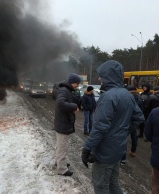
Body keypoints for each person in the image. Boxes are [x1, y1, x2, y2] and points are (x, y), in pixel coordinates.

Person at [81, 60, 145, 193]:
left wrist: (87, 148)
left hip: (105, 151)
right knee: (113, 183)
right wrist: (122, 132)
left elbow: (99, 128)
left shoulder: (107, 97)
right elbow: (138, 117)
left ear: (108, 76)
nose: (99, 78)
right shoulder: (127, 94)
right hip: (118, 148)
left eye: (101, 75)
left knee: (101, 185)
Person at [54, 73, 81, 176]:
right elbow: (60, 104)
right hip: (63, 123)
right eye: (77, 83)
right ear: (72, 82)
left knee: (60, 145)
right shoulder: (64, 91)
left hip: (62, 122)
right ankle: (62, 169)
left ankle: (59, 162)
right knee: (62, 147)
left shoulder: (66, 90)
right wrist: (74, 106)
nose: (77, 85)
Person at [120, 86, 143, 165]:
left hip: (126, 121)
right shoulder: (139, 99)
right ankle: (133, 151)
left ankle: (123, 158)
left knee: (123, 139)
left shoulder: (126, 99)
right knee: (134, 137)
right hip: (134, 122)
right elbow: (140, 114)